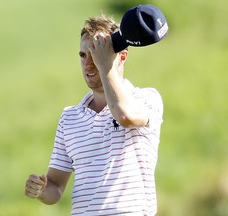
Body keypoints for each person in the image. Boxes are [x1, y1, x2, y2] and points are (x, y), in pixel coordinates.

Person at [25, 12, 163, 216]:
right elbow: (56, 187)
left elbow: (125, 116)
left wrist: (105, 66)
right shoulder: (69, 118)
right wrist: (41, 190)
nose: (89, 64)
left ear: (122, 56)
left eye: (96, 55)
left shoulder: (146, 99)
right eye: (83, 55)